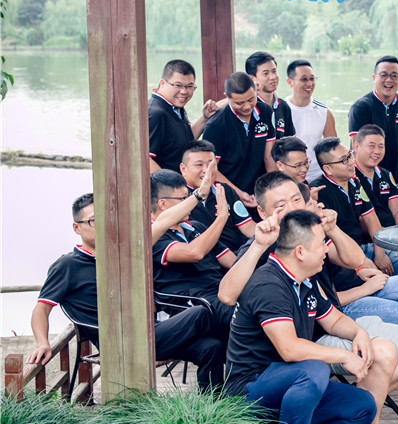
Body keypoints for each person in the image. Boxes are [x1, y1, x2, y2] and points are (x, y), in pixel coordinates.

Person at [220, 172, 398, 424]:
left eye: (296, 200)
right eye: (281, 206)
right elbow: (227, 295)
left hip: (331, 318)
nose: (292, 209)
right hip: (307, 339)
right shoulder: (261, 248)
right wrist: (258, 245)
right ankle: (359, 407)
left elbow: (355, 260)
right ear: (263, 213)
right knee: (397, 333)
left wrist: (332, 229)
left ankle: (365, 400)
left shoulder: (310, 233)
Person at [224, 210, 379, 424]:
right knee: (314, 368)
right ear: (300, 252)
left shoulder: (304, 280)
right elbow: (290, 349)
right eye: (321, 244)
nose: (326, 249)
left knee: (362, 405)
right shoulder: (269, 284)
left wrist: (359, 333)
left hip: (289, 384)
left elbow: (333, 320)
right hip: (249, 391)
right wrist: (343, 356)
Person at [27, 194, 225, 391]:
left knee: (211, 347)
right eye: (94, 221)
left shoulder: (120, 255)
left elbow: (161, 223)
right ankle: (242, 356)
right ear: (76, 228)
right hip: (119, 343)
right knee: (201, 313)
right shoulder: (67, 266)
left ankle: (215, 404)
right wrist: (42, 343)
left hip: (148, 331)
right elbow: (41, 309)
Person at [311, 137, 398, 276]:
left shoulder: (355, 183)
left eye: (350, 156)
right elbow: (325, 239)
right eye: (344, 160)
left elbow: (372, 220)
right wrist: (360, 262)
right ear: (328, 169)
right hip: (340, 255)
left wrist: (380, 254)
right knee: (378, 277)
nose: (351, 162)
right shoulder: (318, 192)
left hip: (362, 246)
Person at [150, 169, 235, 333]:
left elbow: (232, 261)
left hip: (220, 292)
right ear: (162, 204)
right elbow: (195, 253)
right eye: (183, 199)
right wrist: (221, 218)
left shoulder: (196, 226)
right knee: (247, 317)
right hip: (193, 303)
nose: (190, 203)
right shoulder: (150, 237)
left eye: (189, 196)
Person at [202, 71, 276, 209]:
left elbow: (269, 157)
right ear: (227, 97)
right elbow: (210, 169)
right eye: (239, 103)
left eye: (251, 99)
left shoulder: (266, 111)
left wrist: (275, 189)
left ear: (256, 91)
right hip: (228, 194)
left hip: (258, 191)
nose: (247, 106)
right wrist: (238, 193)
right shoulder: (215, 125)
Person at [180, 140, 256, 252]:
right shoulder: (177, 197)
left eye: (212, 164)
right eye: (199, 165)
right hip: (203, 256)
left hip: (236, 253)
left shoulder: (225, 190)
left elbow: (247, 227)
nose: (207, 170)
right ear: (183, 169)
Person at [349, 55, 398, 178]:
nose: (389, 80)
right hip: (368, 177)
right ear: (374, 78)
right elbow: (356, 150)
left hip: (397, 176)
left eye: (394, 75)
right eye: (383, 75)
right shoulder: (361, 107)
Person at [148, 59, 217, 173]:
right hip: (168, 183)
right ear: (163, 83)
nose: (184, 91)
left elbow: (184, 143)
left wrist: (204, 118)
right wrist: (171, 184)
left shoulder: (175, 107)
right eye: (178, 85)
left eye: (189, 86)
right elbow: (145, 159)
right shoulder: (155, 113)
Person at [285, 59, 337, 182]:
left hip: (318, 177)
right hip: (289, 178)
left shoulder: (324, 111)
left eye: (312, 79)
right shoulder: (281, 110)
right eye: (304, 79)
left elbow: (332, 149)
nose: (309, 84)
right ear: (290, 82)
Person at [353, 124, 398, 229]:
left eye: (381, 146)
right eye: (371, 146)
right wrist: (382, 233)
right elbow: (357, 219)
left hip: (391, 232)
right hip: (368, 235)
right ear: (356, 147)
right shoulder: (349, 177)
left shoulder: (387, 175)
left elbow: (396, 212)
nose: (377, 151)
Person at [246, 51, 295, 140]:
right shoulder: (247, 107)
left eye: (274, 71)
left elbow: (290, 142)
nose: (272, 77)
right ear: (251, 78)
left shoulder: (283, 106)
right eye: (266, 73)